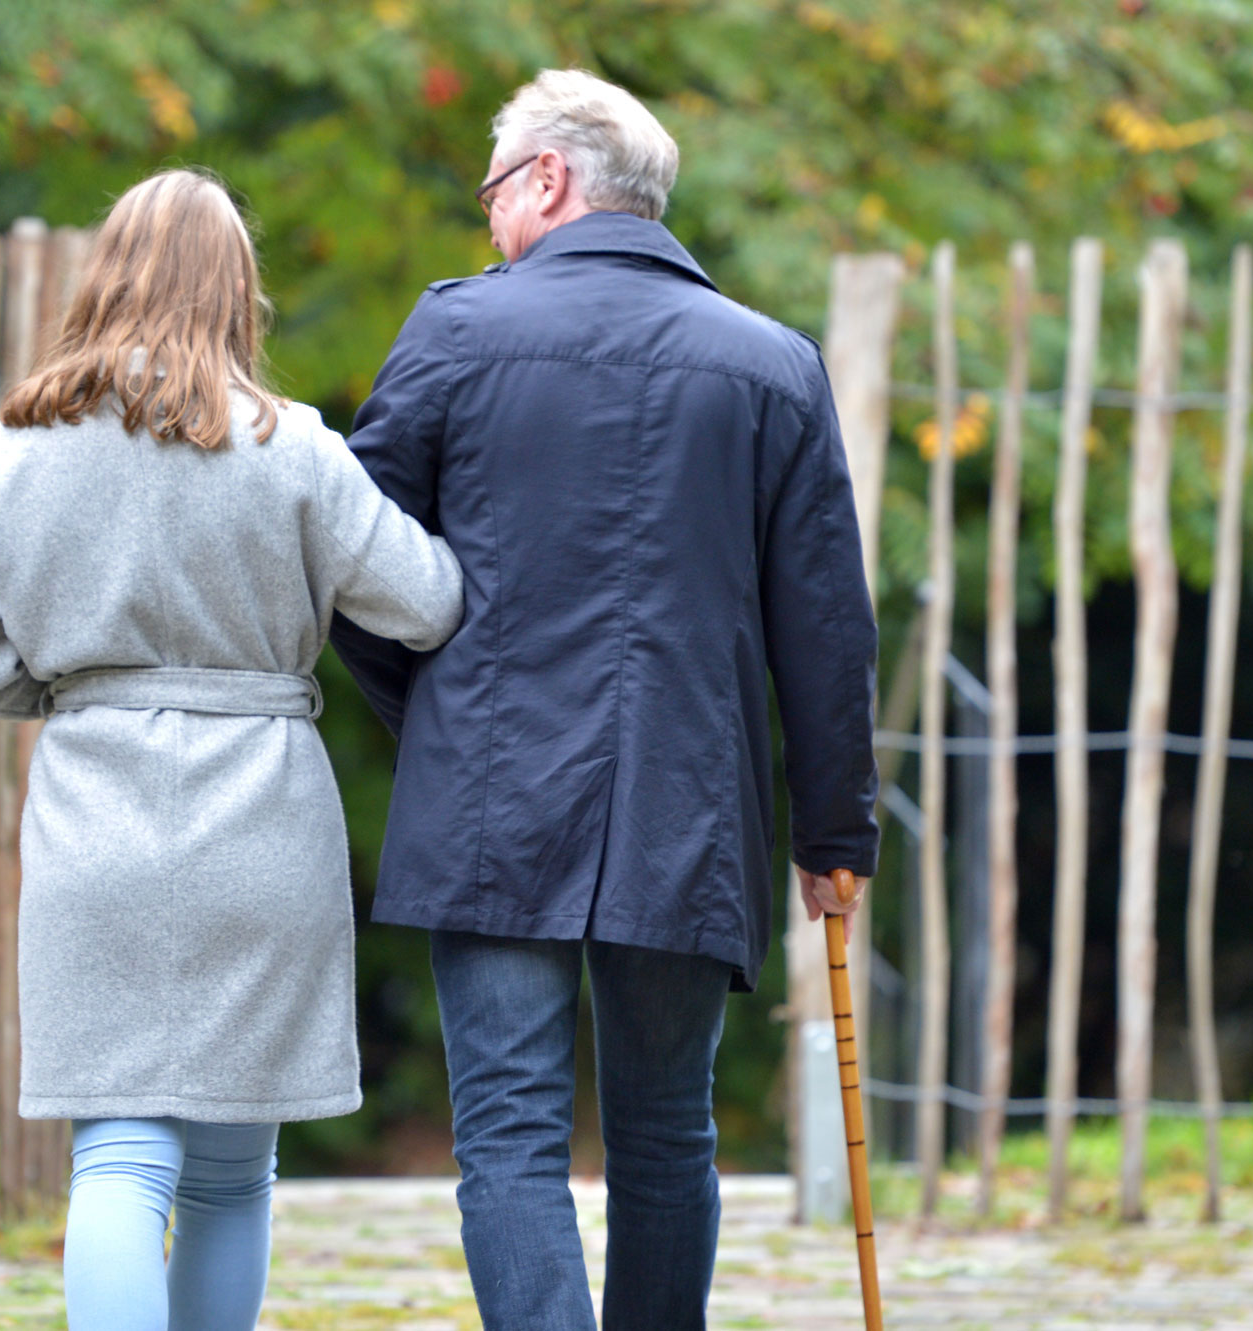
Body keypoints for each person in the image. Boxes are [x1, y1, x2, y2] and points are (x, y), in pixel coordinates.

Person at [329, 69, 881, 1329]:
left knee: (508, 1135)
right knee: (666, 1130)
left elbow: (353, 557)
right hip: (687, 799)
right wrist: (832, 829)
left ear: (547, 178)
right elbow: (825, 625)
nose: (488, 222)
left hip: (487, 789)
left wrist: (439, 720)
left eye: (491, 191)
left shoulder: (457, 331)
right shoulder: (772, 364)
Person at [0, 168, 464, 1331]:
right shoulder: (297, 448)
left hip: (93, 818)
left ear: (103, 276)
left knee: (117, 1154)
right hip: (261, 817)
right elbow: (425, 602)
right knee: (229, 1170)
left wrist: (82, 690)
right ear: (236, 290)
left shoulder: (10, 453)